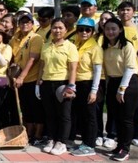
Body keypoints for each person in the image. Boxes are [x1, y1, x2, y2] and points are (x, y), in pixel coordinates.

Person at [37, 17, 79, 156]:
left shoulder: (70, 46)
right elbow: (42, 66)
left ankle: (62, 142)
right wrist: (38, 83)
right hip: (46, 82)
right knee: (50, 114)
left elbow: (73, 69)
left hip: (62, 83)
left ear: (66, 30)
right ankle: (51, 138)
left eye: (61, 28)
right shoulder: (46, 45)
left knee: (64, 115)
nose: (57, 30)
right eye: (55, 27)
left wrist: (71, 87)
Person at [102, 18, 138, 161]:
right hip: (113, 82)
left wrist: (121, 89)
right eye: (107, 29)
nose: (110, 32)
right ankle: (119, 146)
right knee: (116, 117)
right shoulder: (105, 47)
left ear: (120, 30)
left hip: (128, 83)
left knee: (126, 119)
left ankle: (125, 149)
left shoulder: (126, 46)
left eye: (113, 29)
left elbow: (130, 68)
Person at [117, 1, 138, 148]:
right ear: (118, 12)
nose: (125, 12)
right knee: (117, 107)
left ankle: (135, 136)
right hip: (117, 72)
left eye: (128, 9)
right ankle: (115, 135)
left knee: (134, 107)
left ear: (133, 11)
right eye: (122, 10)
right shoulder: (114, 29)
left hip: (134, 73)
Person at [10, 11, 45, 145]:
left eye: (28, 22)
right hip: (18, 78)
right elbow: (13, 56)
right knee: (25, 108)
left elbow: (33, 59)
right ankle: (28, 133)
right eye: (22, 22)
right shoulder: (15, 38)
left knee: (36, 108)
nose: (25, 24)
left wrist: (22, 76)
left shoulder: (35, 38)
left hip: (31, 78)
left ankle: (37, 134)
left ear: (32, 24)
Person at [69, 18, 102, 156]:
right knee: (81, 115)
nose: (83, 32)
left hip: (88, 84)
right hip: (77, 84)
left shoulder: (95, 47)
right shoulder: (76, 44)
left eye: (87, 30)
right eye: (80, 29)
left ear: (92, 32)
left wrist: (94, 91)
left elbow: (97, 71)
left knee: (90, 116)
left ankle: (90, 145)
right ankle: (84, 142)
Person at [94, 11, 117, 148]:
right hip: (99, 77)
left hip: (113, 77)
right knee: (97, 106)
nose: (103, 21)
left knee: (112, 106)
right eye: (101, 19)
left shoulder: (116, 39)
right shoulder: (96, 37)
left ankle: (111, 134)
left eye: (107, 19)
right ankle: (98, 133)